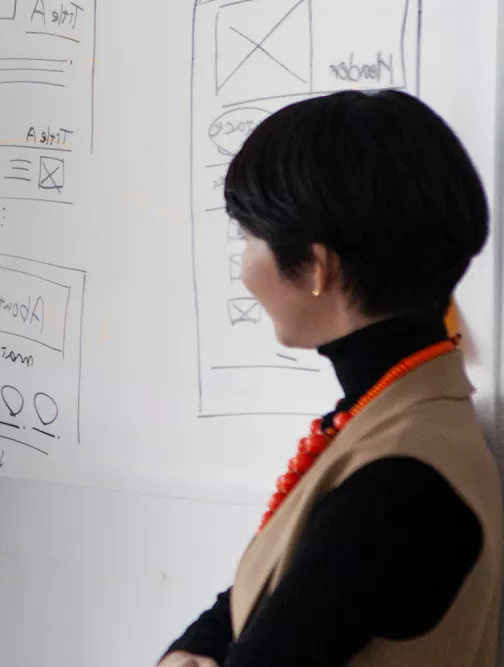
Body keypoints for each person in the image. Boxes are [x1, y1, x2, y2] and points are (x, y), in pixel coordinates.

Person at [159, 90, 502, 666]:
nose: (242, 267)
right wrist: (193, 648)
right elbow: (274, 594)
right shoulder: (394, 416)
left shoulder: (398, 481)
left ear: (319, 267)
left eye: (248, 237)